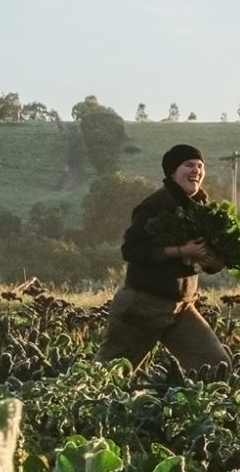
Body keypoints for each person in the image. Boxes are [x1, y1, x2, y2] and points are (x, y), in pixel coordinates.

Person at [94, 143, 231, 378]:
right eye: (189, 164)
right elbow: (131, 249)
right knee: (108, 377)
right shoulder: (156, 204)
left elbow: (205, 262)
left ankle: (189, 403)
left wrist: (212, 259)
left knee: (215, 366)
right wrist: (181, 250)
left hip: (181, 307)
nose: (196, 170)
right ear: (172, 172)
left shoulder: (201, 209)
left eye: (200, 166)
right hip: (142, 306)